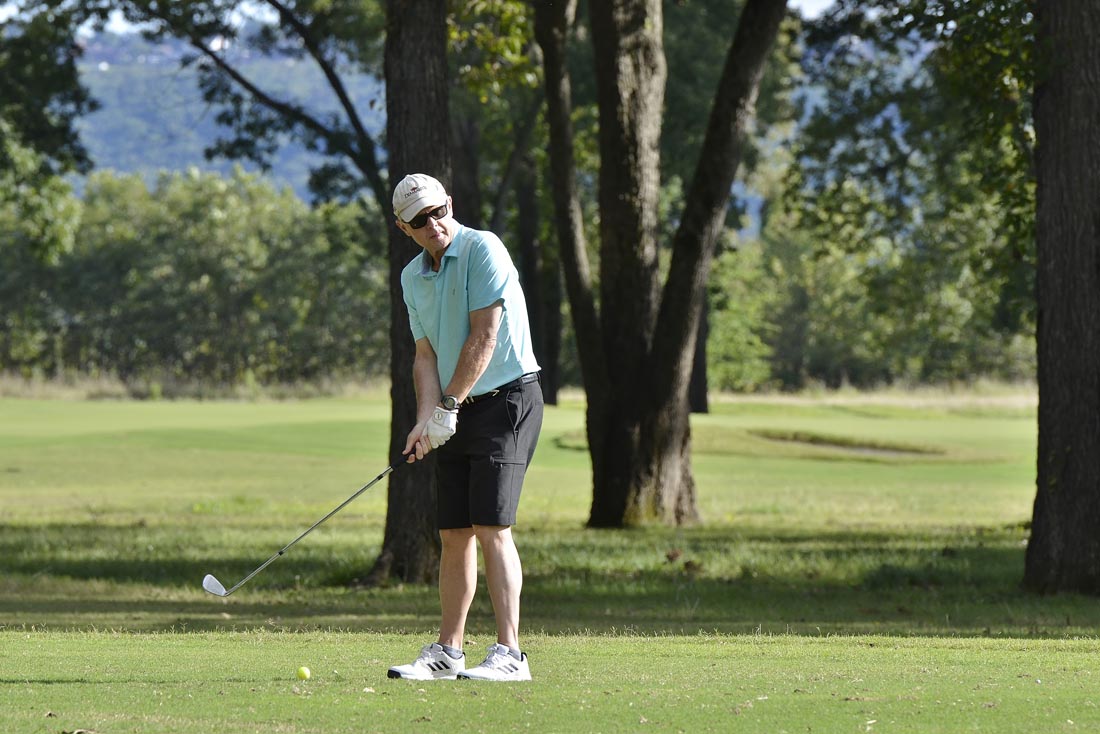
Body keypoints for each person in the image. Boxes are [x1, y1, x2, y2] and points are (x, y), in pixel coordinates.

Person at [386, 173, 543, 682]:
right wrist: (425, 419)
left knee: (492, 526)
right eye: (419, 220)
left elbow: (485, 335)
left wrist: (447, 407)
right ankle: (447, 652)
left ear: (449, 204)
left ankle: (510, 654)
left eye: (438, 212)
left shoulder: (483, 248)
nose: (433, 225)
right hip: (459, 405)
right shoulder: (412, 277)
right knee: (454, 532)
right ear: (403, 228)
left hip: (507, 399)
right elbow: (425, 355)